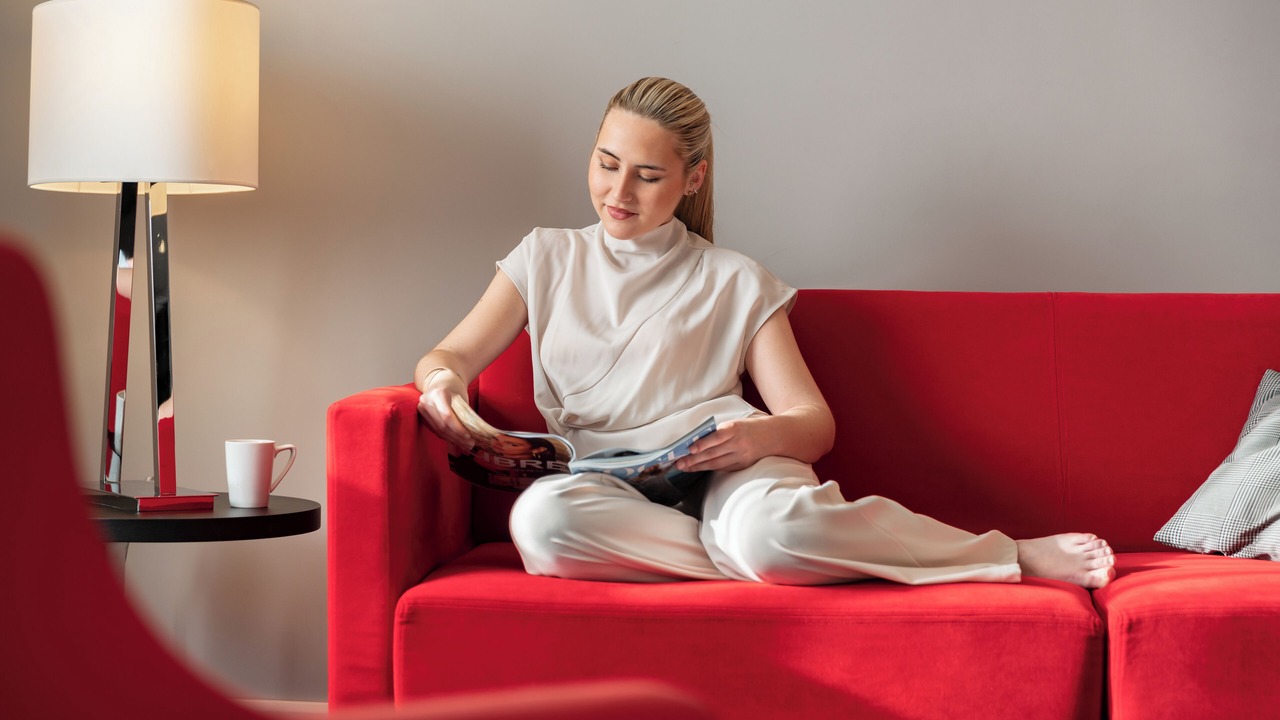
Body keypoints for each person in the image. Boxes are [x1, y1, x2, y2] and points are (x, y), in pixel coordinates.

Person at [415, 77, 1116, 588]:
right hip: (608, 487)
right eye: (606, 163)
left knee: (772, 526)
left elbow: (813, 423)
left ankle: (1005, 555)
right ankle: (756, 557)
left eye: (648, 175)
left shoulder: (735, 278)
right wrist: (444, 392)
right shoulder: (544, 256)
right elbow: (449, 354)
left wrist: (755, 438)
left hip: (732, 474)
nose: (618, 193)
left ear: (693, 178)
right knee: (540, 525)